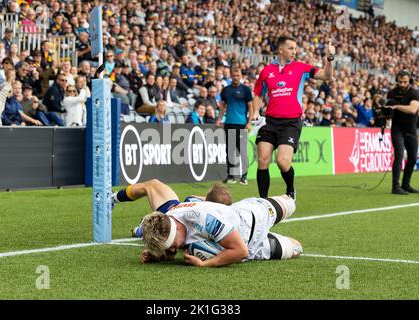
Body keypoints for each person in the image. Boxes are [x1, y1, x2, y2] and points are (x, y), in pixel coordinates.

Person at [251, 36, 335, 200]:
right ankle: (263, 201)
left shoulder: (301, 68)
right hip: (270, 121)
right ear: (280, 49)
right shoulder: (267, 71)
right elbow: (258, 95)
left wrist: (330, 58)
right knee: (262, 160)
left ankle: (290, 190)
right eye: (290, 48)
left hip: (291, 123)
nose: (294, 51)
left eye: (295, 48)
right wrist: (255, 112)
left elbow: (327, 76)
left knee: (283, 162)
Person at [140, 188, 300, 267]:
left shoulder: (204, 219)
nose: (173, 249)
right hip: (251, 245)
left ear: (176, 229)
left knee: (290, 202)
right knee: (298, 248)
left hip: (254, 215)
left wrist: (205, 264)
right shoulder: (169, 218)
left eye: (170, 244)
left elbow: (239, 251)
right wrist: (158, 255)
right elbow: (244, 251)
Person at [217, 68, 253, 185]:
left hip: (241, 124)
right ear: (231, 76)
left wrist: (249, 122)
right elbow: (222, 106)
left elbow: (251, 107)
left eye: (238, 75)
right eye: (234, 75)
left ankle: (244, 176)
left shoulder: (246, 90)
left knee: (242, 150)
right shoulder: (226, 90)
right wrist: (219, 118)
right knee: (230, 150)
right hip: (229, 123)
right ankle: (231, 175)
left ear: (241, 76)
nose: (236, 77)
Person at [386, 70, 419, 194]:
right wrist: (386, 113)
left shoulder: (415, 93)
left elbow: (412, 109)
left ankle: (406, 184)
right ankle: (395, 186)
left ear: (409, 81)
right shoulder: (391, 93)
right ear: (396, 80)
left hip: (411, 128)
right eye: (400, 81)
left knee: (412, 157)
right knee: (399, 154)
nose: (402, 84)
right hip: (397, 128)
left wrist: (396, 106)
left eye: (405, 82)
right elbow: (388, 110)